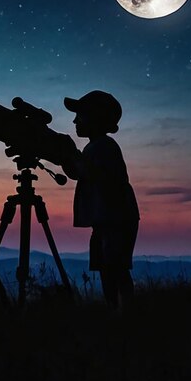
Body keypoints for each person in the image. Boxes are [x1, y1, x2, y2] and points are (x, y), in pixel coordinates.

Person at [61, 90, 139, 311]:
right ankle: (116, 310)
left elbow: (93, 173)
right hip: (108, 219)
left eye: (81, 115)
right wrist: (68, 157)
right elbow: (81, 172)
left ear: (96, 118)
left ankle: (123, 313)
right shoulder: (95, 146)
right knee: (108, 267)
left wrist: (72, 155)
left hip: (115, 219)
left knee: (115, 267)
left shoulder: (104, 146)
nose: (75, 120)